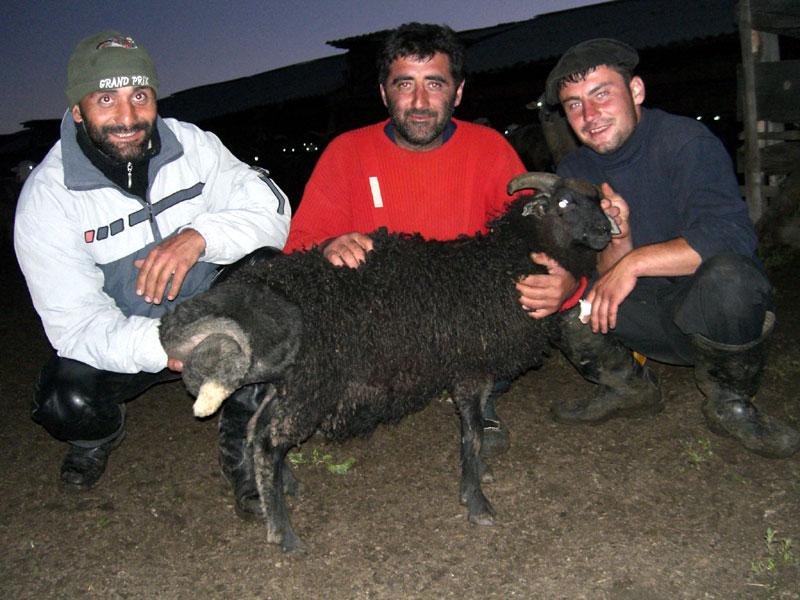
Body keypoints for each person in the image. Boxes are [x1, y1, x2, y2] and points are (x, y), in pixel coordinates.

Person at [284, 22, 578, 470]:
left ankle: (476, 398)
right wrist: (326, 245)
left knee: (507, 298)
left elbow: (537, 236)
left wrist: (566, 282)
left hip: (466, 326)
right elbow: (297, 246)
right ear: (384, 93)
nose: (420, 102)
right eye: (405, 84)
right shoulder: (347, 153)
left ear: (457, 93)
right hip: (385, 325)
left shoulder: (489, 150)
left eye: (435, 84)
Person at [14, 31, 291, 498]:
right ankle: (96, 438)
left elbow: (274, 208)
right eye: (106, 99)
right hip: (131, 338)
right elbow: (76, 325)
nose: (128, 117)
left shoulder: (192, 145)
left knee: (271, 278)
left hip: (212, 313)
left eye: (139, 96)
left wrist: (200, 237)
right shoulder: (48, 198)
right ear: (77, 109)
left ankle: (247, 447)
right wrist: (167, 343)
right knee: (66, 400)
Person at [536, 38, 799, 458]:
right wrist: (620, 241)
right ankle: (627, 387)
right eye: (574, 104)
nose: (589, 115)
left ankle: (729, 402)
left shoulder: (685, 141)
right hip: (644, 316)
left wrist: (635, 263)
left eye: (601, 94)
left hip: (711, 314)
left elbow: (731, 234)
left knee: (731, 277)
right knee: (556, 288)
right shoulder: (575, 171)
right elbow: (599, 269)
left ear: (636, 90)